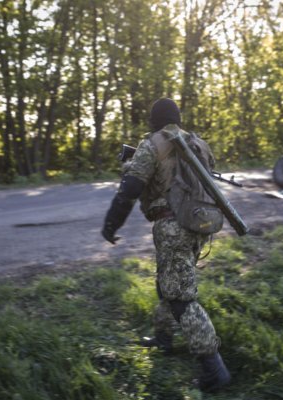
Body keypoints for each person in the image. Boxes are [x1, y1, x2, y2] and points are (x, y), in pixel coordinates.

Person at [101, 98, 231, 392]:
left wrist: (111, 224)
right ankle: (163, 338)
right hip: (200, 223)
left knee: (181, 297)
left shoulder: (152, 143)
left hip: (172, 225)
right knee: (168, 284)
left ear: (154, 120)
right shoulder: (198, 144)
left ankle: (214, 368)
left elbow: (130, 190)